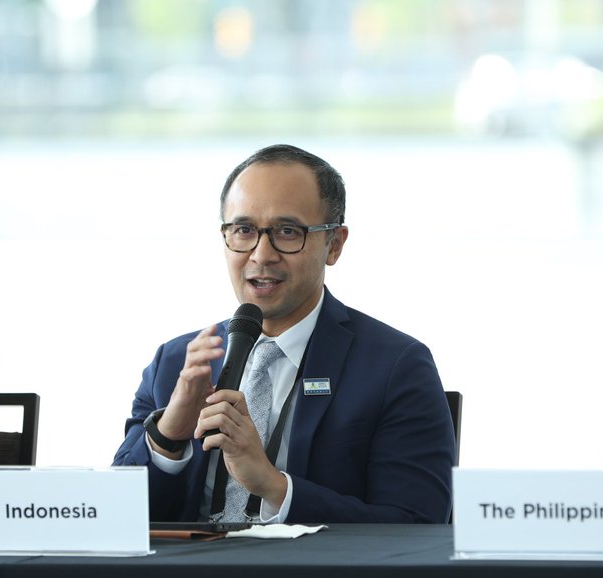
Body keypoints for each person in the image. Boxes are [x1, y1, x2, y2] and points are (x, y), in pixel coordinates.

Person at [113, 144, 455, 524]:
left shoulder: (394, 367)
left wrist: (274, 486)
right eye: (244, 230)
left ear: (334, 245)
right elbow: (113, 521)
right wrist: (168, 437)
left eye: (287, 232)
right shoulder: (177, 363)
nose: (262, 254)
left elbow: (417, 525)